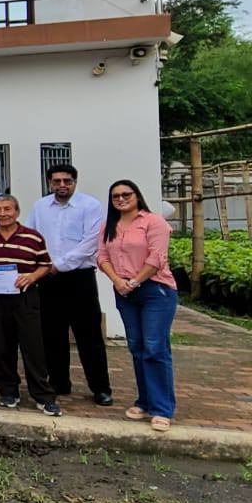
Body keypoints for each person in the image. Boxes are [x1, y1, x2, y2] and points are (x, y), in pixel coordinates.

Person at [26, 164, 112, 405]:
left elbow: (91, 242)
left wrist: (59, 264)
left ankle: (100, 388)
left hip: (79, 278)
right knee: (52, 333)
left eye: (67, 181)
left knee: (89, 335)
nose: (62, 185)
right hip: (47, 279)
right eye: (57, 181)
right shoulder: (40, 206)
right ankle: (59, 382)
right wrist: (40, 266)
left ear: (75, 181)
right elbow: (31, 236)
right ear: (50, 183)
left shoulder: (90, 205)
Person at [0, 195, 61, 416]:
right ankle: (8, 391)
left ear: (17, 211)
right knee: (1, 345)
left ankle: (43, 395)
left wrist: (31, 276)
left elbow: (45, 264)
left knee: (33, 346)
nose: (3, 214)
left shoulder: (33, 236)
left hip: (25, 297)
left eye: (7, 209)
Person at [97, 180, 177, 432]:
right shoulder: (109, 225)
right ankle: (144, 401)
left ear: (137, 196)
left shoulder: (154, 222)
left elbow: (157, 257)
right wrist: (117, 281)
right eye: (115, 196)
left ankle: (162, 408)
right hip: (124, 292)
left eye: (126, 194)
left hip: (155, 290)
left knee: (155, 348)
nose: (121, 199)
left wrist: (134, 281)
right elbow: (102, 256)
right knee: (137, 347)